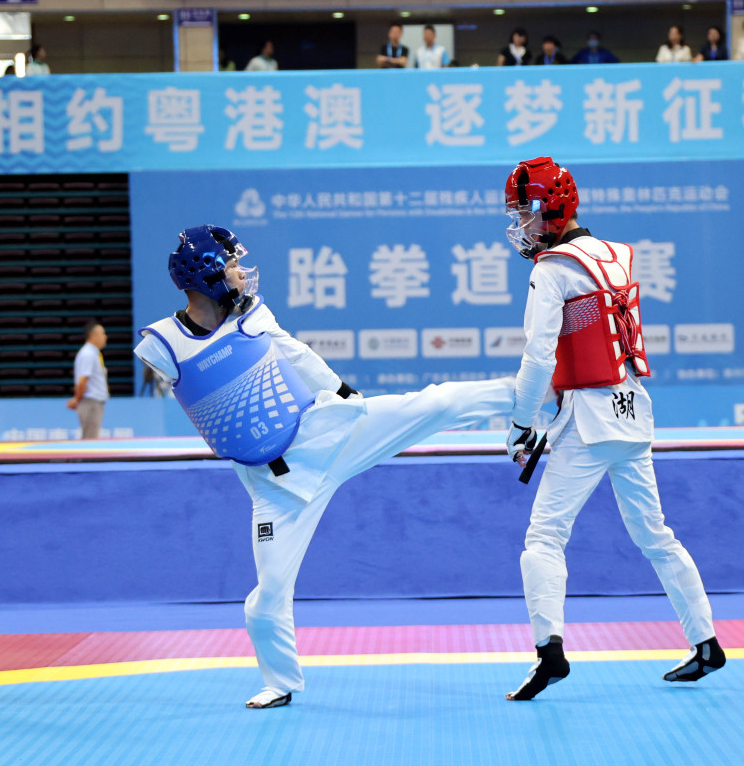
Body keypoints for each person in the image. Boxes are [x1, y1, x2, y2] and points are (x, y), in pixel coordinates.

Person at [134, 225, 514, 709]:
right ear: (205, 272)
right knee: (268, 594)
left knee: (431, 405)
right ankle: (280, 683)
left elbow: (296, 353)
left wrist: (345, 395)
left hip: (325, 435)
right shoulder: (162, 344)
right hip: (273, 486)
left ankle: (527, 391)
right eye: (231, 264)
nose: (241, 272)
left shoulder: (252, 315)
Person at [500, 157, 723, 701]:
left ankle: (549, 653)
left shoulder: (553, 268)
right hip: (633, 412)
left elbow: (539, 356)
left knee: (544, 537)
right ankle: (706, 642)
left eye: (526, 212)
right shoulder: (617, 256)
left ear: (551, 209)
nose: (521, 225)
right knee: (656, 535)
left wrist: (521, 422)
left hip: (588, 421)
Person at [67, 320, 109, 439]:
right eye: (102, 334)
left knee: (90, 439)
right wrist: (77, 399)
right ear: (93, 335)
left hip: (93, 403)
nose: (105, 337)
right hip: (90, 403)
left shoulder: (93, 353)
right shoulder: (88, 354)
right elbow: (82, 380)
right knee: (90, 442)